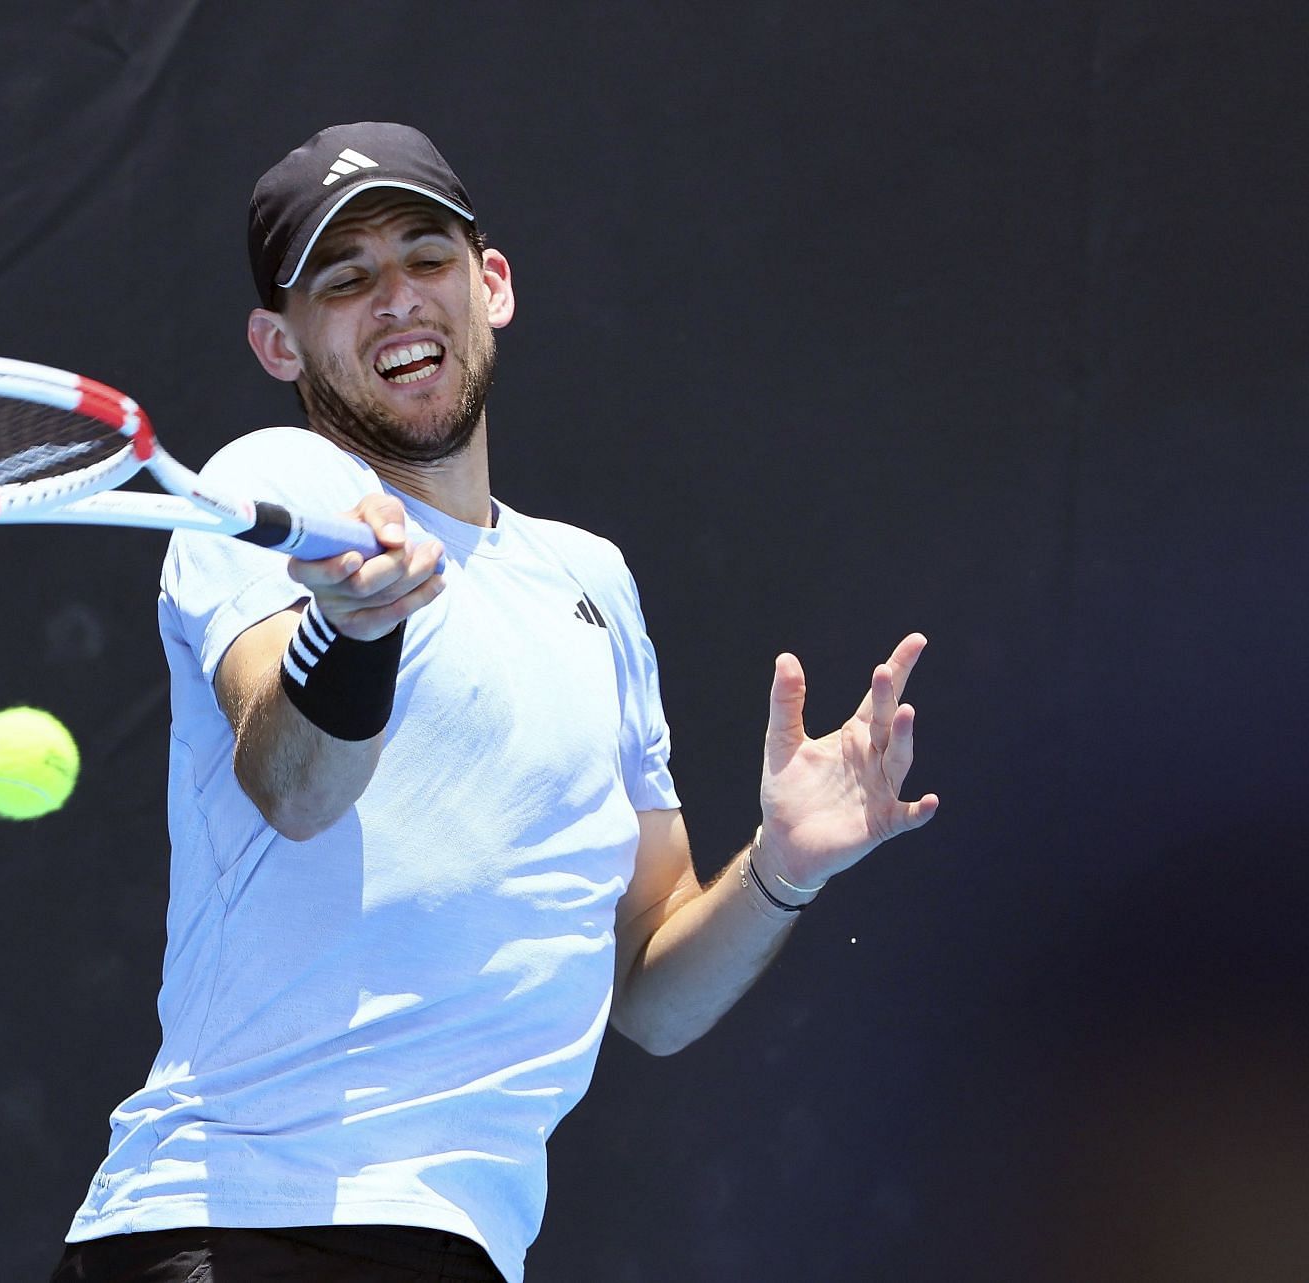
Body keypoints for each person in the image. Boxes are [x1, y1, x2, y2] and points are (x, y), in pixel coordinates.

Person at [52, 122, 939, 1283]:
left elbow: (653, 992)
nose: (397, 300)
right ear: (280, 343)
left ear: (493, 284)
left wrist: (781, 870)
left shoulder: (592, 581)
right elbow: (294, 783)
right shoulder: (279, 485)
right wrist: (351, 631)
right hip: (237, 1225)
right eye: (345, 278)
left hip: (458, 1242)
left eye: (425, 257)